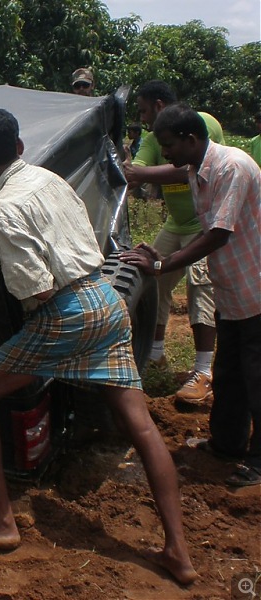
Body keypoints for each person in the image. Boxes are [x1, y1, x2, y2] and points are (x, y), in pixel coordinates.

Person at [0, 108, 197, 586]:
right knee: (141, 426)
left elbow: (37, 292)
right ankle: (178, 552)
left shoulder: (4, 211)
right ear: (20, 147)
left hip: (64, 313)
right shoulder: (51, 179)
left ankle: (0, 520)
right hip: (105, 301)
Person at [121, 103, 261, 488]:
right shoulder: (196, 169)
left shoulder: (231, 167)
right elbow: (176, 179)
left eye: (168, 145)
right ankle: (228, 445)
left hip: (256, 290)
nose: (164, 153)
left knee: (257, 378)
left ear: (191, 139)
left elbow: (218, 233)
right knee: (229, 373)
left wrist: (164, 265)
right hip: (234, 292)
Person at [123, 80, 223, 405]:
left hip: (203, 222)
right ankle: (154, 354)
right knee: (157, 280)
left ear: (159, 105)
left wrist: (144, 175)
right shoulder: (155, 139)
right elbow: (136, 168)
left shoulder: (203, 126)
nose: (142, 118)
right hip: (176, 222)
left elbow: (187, 170)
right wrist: (135, 171)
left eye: (142, 110)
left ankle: (203, 371)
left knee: (200, 286)